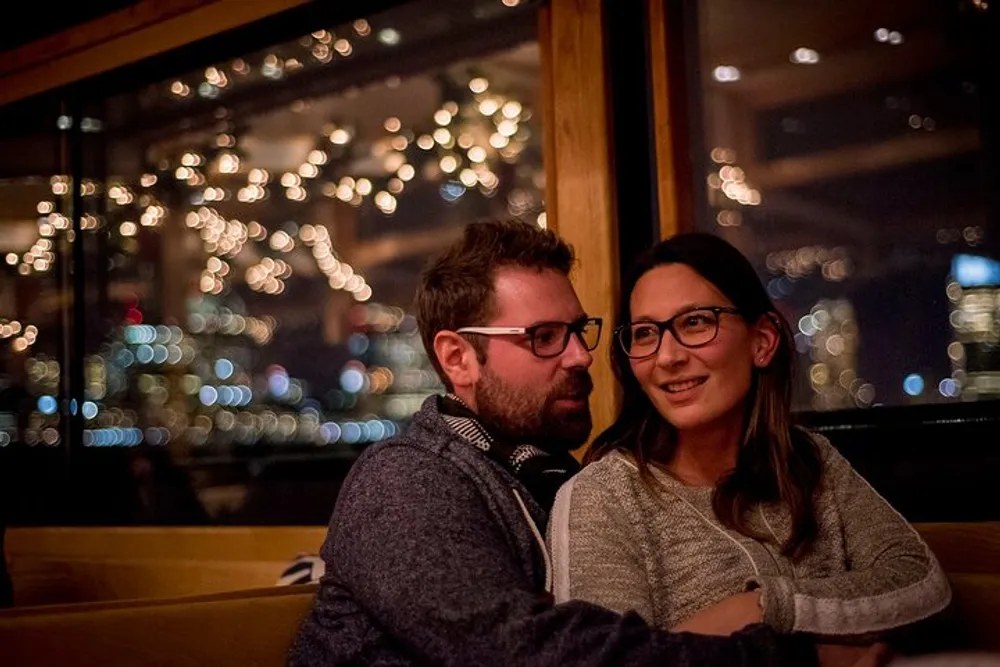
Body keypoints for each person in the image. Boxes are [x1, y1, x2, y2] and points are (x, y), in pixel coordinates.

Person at [288, 220, 825, 667]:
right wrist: (793, 655)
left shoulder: (561, 479)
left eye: (577, 331)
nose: (580, 357)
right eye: (544, 338)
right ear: (457, 360)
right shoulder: (405, 480)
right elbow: (526, 654)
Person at [548, 233, 951, 655]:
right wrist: (817, 654)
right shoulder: (602, 497)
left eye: (695, 322)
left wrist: (759, 608)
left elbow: (920, 582)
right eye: (646, 333)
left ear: (762, 342)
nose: (666, 357)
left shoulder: (810, 461)